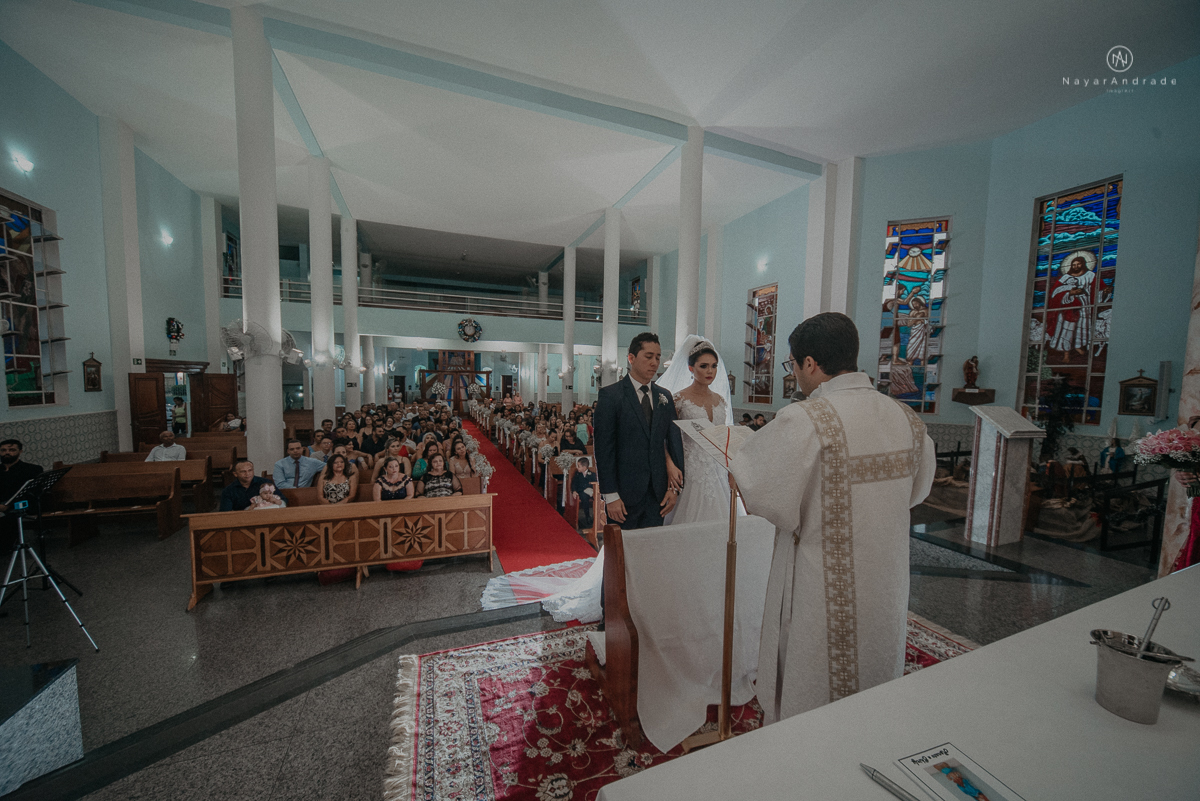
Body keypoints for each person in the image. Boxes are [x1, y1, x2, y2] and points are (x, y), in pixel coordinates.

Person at [730, 312, 936, 725]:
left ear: (810, 363)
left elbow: (761, 490)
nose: (795, 376)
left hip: (820, 581)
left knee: (816, 676)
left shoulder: (808, 418)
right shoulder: (907, 419)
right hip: (885, 576)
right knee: (875, 665)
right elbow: (918, 491)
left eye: (792, 365)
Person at [595, 332, 685, 530]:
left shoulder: (664, 396)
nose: (655, 363)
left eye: (658, 357)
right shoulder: (611, 396)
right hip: (624, 494)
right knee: (623, 555)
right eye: (649, 356)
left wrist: (674, 489)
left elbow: (673, 441)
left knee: (651, 552)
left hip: (657, 494)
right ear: (631, 358)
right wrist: (610, 496)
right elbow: (604, 450)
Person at [657, 337, 734, 525]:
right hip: (689, 469)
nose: (710, 371)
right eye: (704, 366)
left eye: (714, 366)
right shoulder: (678, 399)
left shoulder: (720, 401)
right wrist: (669, 464)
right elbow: (663, 437)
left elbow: (723, 439)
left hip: (717, 471)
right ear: (691, 368)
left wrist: (732, 470)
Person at [0, 439, 44, 551]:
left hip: (21, 506)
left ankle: (6, 548)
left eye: (12, 450)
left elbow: (32, 494)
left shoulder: (32, 470)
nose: (7, 453)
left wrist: (8, 506)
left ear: (20, 452)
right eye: (3, 450)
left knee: (9, 519)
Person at [571, 457, 597, 530]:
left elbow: (594, 483)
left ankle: (597, 517)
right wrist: (574, 491)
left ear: (584, 467)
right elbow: (574, 484)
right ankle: (587, 515)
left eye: (579, 466)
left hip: (590, 491)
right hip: (581, 492)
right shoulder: (577, 474)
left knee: (597, 497)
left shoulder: (592, 474)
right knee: (584, 497)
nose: (577, 468)